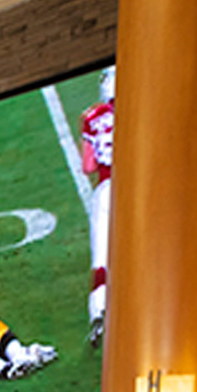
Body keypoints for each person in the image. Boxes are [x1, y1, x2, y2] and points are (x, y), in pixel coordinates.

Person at [80, 67, 114, 346]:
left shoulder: (92, 117)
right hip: (138, 188)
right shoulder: (142, 108)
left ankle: (98, 312)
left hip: (106, 189)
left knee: (101, 258)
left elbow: (88, 166)